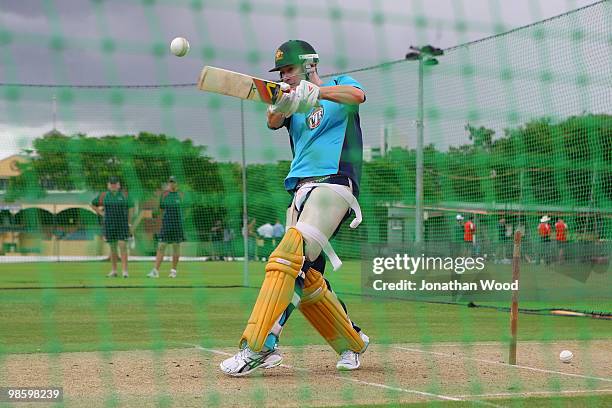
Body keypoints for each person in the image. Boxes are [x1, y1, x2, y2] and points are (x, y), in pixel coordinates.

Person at [220, 40, 368, 376]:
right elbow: (272, 122)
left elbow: (357, 98)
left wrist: (315, 92)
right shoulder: (292, 101)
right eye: (281, 71)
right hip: (300, 189)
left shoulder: (339, 85)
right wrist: (283, 103)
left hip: (334, 183)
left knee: (288, 257)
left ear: (309, 63)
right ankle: (352, 342)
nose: (284, 75)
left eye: (288, 69)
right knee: (306, 274)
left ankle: (260, 345)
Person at [91, 176, 135, 278]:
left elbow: (131, 208)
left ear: (119, 185)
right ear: (108, 185)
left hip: (122, 225)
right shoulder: (104, 195)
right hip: (109, 225)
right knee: (113, 248)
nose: (113, 185)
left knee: (122, 246)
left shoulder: (124, 195)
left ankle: (125, 271)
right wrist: (100, 212)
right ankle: (114, 271)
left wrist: (129, 223)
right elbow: (93, 204)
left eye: (115, 184)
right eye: (111, 184)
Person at [148, 177, 187, 278]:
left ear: (177, 184)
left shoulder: (181, 195)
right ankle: (155, 271)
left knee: (176, 247)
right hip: (166, 225)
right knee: (161, 246)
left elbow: (186, 209)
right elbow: (160, 209)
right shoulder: (164, 195)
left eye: (173, 182)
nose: (172, 184)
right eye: (170, 182)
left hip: (178, 226)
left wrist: (182, 219)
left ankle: (173, 271)